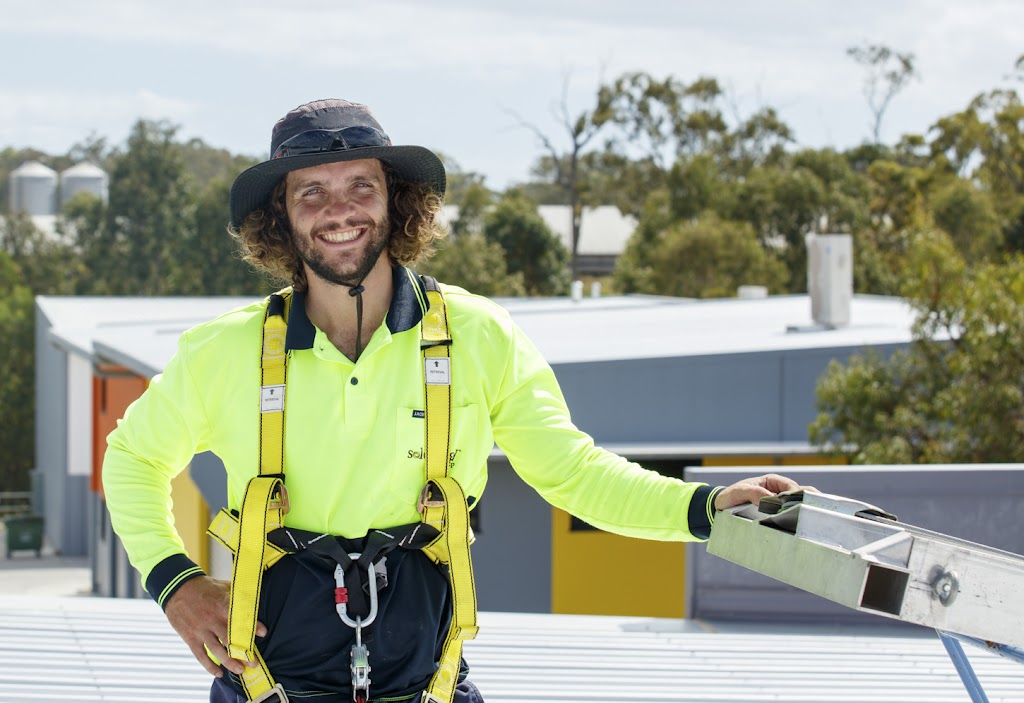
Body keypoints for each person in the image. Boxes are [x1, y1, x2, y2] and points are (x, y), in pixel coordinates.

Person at [102, 98, 805, 703]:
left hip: (429, 685)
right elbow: (130, 458)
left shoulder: (476, 336)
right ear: (281, 219)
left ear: (395, 201)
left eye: (360, 186)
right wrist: (176, 583)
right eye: (309, 192)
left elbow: (572, 470)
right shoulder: (224, 353)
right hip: (264, 686)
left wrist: (703, 509)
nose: (338, 211)